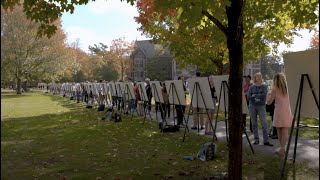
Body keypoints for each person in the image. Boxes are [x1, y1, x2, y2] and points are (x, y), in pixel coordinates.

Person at [267, 73, 293, 156]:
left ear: (275, 80)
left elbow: (269, 102)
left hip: (278, 111)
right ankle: (283, 148)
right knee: (285, 129)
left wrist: (268, 94)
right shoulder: (288, 88)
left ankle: (282, 148)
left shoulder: (274, 89)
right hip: (288, 110)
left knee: (279, 129)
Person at [247, 72, 273, 146]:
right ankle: (256, 140)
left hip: (261, 106)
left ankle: (266, 141)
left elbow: (264, 95)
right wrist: (257, 97)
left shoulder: (264, 86)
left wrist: (254, 95)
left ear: (261, 77)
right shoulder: (251, 87)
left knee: (264, 123)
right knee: (254, 124)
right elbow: (248, 96)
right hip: (252, 106)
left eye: (260, 76)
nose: (258, 77)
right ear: (255, 78)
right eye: (257, 76)